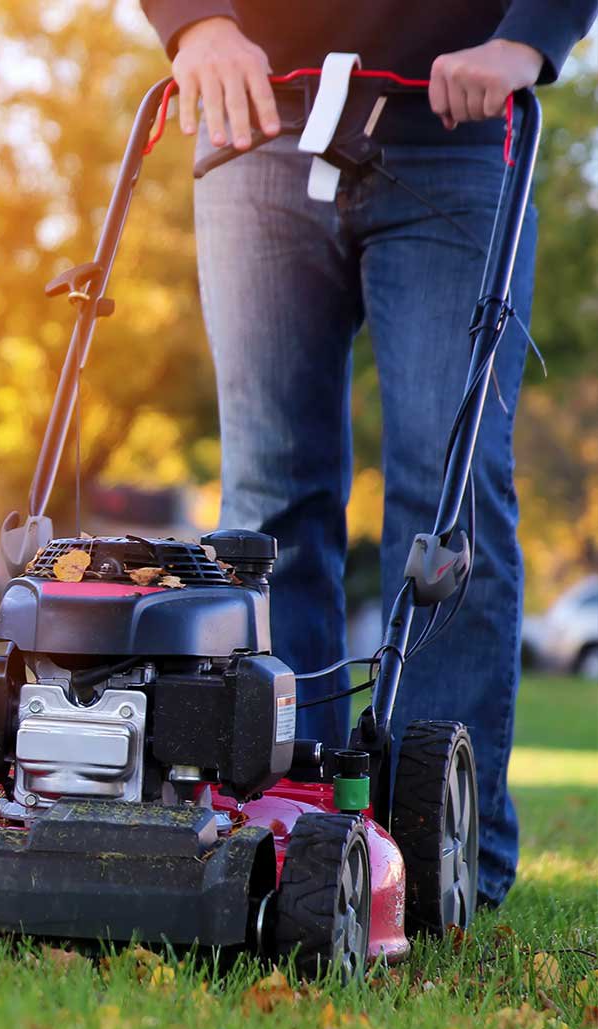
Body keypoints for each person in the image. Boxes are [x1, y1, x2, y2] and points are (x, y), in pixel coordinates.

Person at [140, 1, 597, 907]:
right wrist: (196, 24)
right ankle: (287, 819)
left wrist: (524, 41)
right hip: (256, 121)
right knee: (268, 504)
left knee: (448, 500)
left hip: (458, 132)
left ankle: (438, 856)